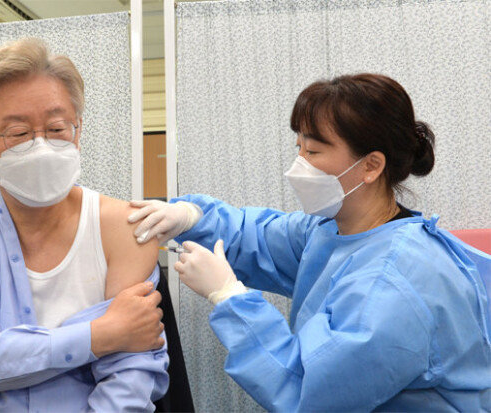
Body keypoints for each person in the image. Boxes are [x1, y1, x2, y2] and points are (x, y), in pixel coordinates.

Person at [128, 73, 491, 411]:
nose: (298, 165)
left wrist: (229, 297)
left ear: (371, 166)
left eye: (313, 152)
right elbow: (260, 238)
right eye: (298, 147)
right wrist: (193, 216)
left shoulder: (393, 283)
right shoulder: (336, 231)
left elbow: (305, 392)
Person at [0, 38, 169, 412]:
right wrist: (100, 333)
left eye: (56, 128)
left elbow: (130, 380)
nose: (40, 147)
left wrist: (13, 350)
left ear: (78, 131)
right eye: (19, 133)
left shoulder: (125, 228)